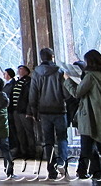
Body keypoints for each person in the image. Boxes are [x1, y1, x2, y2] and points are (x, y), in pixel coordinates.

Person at [64, 50, 101, 186]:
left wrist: (68, 80)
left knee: (87, 147)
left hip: (89, 114)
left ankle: (96, 174)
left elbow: (77, 92)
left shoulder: (91, 76)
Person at [28, 47, 68, 180]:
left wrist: (34, 111)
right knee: (62, 138)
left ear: (41, 58)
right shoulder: (59, 71)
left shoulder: (36, 73)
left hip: (44, 111)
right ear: (52, 57)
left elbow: (32, 94)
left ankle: (51, 170)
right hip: (59, 109)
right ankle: (62, 163)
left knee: (48, 142)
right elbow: (66, 92)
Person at [10, 65, 35, 159]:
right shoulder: (17, 82)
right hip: (16, 110)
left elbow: (29, 97)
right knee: (20, 132)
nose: (19, 71)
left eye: (21, 69)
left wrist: (29, 111)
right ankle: (23, 150)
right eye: (18, 69)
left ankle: (31, 151)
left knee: (28, 131)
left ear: (26, 72)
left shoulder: (28, 82)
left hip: (24, 111)